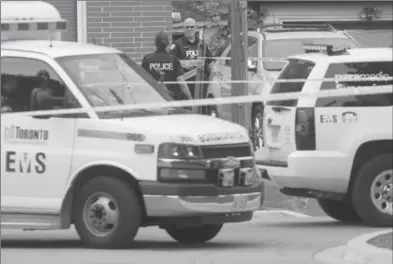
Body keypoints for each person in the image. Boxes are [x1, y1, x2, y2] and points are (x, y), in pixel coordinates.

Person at [169, 18, 215, 100]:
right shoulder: (177, 44)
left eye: (191, 27)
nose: (189, 29)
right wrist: (184, 64)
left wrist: (212, 79)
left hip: (201, 85)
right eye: (187, 27)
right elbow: (171, 62)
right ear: (183, 29)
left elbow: (211, 62)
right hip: (185, 86)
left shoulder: (202, 44)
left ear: (196, 28)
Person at [141, 31, 193, 101]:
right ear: (168, 44)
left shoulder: (147, 59)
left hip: (152, 100)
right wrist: (191, 99)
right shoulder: (174, 59)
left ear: (155, 43)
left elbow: (141, 81)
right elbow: (181, 82)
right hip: (170, 100)